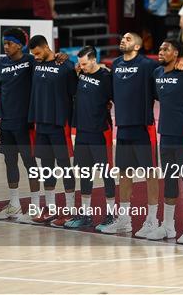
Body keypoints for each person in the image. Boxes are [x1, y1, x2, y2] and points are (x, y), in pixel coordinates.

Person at [100, 33, 160, 236]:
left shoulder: (147, 65)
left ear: (137, 45)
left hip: (144, 128)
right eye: (122, 38)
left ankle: (153, 220)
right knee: (125, 174)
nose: (123, 40)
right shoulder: (116, 64)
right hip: (123, 127)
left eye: (127, 38)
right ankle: (125, 219)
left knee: (151, 174)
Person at [148, 39, 183, 244]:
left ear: (177, 54)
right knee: (169, 180)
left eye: (166, 49)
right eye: (160, 48)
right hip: (166, 134)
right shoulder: (157, 74)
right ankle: (168, 226)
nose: (161, 52)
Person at [0, 28, 40, 222]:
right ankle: (14, 205)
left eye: (9, 43)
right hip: (7, 124)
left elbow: (49, 62)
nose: (6, 46)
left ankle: (35, 206)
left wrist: (60, 56)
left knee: (30, 162)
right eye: (4, 43)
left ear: (20, 45)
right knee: (9, 161)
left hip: (25, 124)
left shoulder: (30, 61)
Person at [63, 46, 115, 230]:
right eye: (79, 64)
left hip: (100, 131)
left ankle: (112, 215)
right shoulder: (81, 74)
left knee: (106, 173)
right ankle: (85, 214)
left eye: (84, 63)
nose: (82, 67)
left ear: (94, 60)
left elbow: (115, 98)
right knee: (85, 174)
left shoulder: (106, 77)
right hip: (83, 132)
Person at [27, 35, 77, 227]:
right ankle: (50, 208)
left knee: (64, 165)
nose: (36, 57)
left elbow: (74, 92)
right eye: (33, 54)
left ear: (46, 47)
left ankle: (71, 210)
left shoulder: (65, 65)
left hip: (59, 123)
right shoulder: (34, 64)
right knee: (46, 167)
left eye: (38, 53)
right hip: (42, 123)